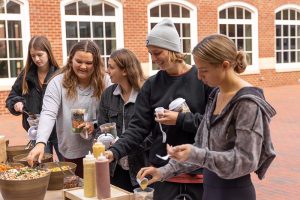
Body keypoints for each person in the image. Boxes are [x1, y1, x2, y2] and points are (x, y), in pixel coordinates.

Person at [137, 34, 276, 200]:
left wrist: (197, 154)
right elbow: (201, 145)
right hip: (210, 190)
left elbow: (245, 161)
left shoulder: (248, 103)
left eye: (203, 71)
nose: (198, 76)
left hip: (234, 193)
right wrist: (163, 171)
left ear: (224, 65)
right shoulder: (216, 95)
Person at [105, 19, 212, 200]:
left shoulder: (202, 79)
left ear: (173, 49)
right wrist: (114, 151)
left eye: (157, 53)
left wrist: (179, 119)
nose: (153, 59)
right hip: (162, 174)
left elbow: (213, 125)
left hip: (198, 174)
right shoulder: (152, 85)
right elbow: (138, 128)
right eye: (150, 53)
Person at [27, 40, 111, 177]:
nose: (83, 66)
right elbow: (48, 113)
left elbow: (111, 113)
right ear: (71, 59)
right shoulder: (57, 83)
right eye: (79, 61)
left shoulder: (106, 81)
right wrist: (40, 142)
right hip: (72, 150)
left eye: (89, 63)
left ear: (96, 63)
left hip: (102, 150)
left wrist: (93, 124)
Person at [96, 48, 150, 192]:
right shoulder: (108, 95)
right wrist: (102, 140)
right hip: (116, 169)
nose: (107, 71)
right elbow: (100, 128)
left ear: (125, 71)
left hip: (143, 168)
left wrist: (123, 145)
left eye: (111, 67)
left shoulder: (146, 93)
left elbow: (153, 134)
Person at [5, 36, 63, 161]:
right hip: (36, 133)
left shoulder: (60, 75)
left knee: (68, 166)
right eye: (33, 55)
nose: (36, 59)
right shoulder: (25, 75)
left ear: (48, 52)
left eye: (40, 54)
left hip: (59, 132)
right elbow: (11, 97)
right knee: (42, 167)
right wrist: (16, 102)